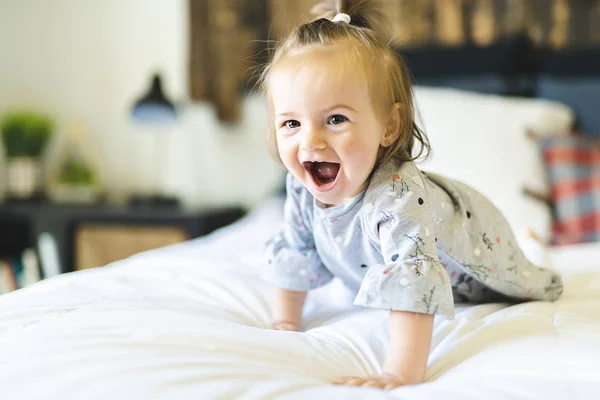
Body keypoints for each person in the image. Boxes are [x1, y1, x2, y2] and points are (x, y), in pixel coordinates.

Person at [261, 0, 563, 390]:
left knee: (525, 272)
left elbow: (413, 276)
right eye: (291, 123)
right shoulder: (301, 187)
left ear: (389, 126)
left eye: (335, 119)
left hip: (475, 246)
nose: (310, 141)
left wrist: (400, 373)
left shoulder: (396, 197)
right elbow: (296, 249)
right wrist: (284, 323)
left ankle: (531, 243)